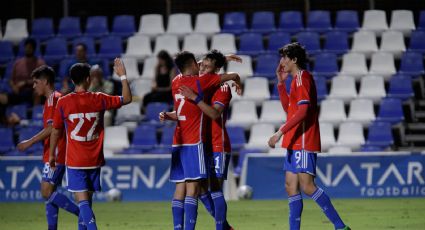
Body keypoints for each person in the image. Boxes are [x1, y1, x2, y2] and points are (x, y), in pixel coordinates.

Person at [267, 42, 350, 230]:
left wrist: (280, 132)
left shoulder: (303, 78)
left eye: (285, 57)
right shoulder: (294, 80)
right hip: (294, 140)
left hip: (303, 139)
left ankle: (341, 227)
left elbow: (303, 112)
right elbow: (291, 109)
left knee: (307, 186)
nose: (281, 62)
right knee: (291, 186)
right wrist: (280, 84)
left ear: (294, 59)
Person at [160, 51, 241, 230]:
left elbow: (214, 114)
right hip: (200, 143)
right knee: (200, 189)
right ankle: (225, 226)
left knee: (213, 188)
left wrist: (195, 98)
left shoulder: (221, 87)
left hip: (216, 142)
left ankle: (222, 227)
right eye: (201, 64)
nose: (202, 67)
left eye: (207, 65)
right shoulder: (197, 82)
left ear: (217, 70)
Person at [49, 59, 132, 230]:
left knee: (83, 202)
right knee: (88, 202)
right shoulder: (99, 98)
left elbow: (56, 130)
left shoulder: (63, 102)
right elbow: (127, 99)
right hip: (94, 160)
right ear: (89, 79)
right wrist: (123, 75)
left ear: (72, 80)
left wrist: (51, 154)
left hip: (75, 160)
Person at [16, 65, 80, 230]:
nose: (34, 86)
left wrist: (29, 142)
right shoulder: (53, 99)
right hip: (54, 151)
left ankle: (83, 214)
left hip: (57, 152)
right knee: (49, 193)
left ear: (45, 81)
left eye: (36, 82)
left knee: (46, 191)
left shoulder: (54, 99)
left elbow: (53, 128)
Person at [0, 38, 45, 105]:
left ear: (33, 49)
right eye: (26, 47)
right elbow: (11, 80)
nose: (27, 49)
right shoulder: (17, 63)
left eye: (29, 47)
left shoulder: (40, 63)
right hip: (18, 92)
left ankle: (35, 113)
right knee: (1, 97)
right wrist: (13, 87)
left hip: (32, 92)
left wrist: (25, 83)